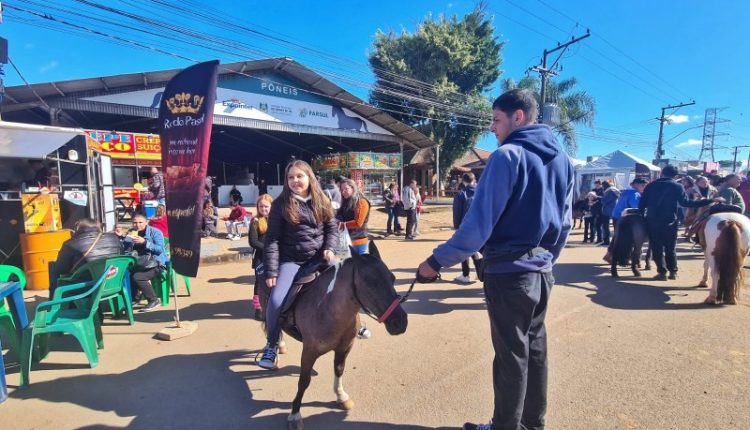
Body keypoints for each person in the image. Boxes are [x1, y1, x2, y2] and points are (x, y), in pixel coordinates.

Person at [417, 89, 574, 430]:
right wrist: (547, 261)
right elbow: (565, 222)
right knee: (535, 350)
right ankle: (533, 425)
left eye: (496, 120)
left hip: (509, 273)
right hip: (542, 273)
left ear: (518, 117)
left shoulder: (507, 156)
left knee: (510, 359)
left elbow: (476, 228)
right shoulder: (562, 160)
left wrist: (434, 262)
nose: (493, 128)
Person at [258, 160, 338, 370]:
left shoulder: (322, 199)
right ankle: (271, 344)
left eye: (299, 176)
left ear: (309, 177)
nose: (295, 181)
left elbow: (332, 229)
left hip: (322, 258)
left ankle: (355, 324)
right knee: (275, 301)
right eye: (291, 177)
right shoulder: (280, 204)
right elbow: (272, 240)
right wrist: (272, 270)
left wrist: (330, 248)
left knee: (349, 282)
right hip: (292, 260)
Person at [639, 165, 718, 280]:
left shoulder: (650, 185)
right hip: (670, 221)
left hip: (653, 221)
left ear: (661, 173)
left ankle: (662, 272)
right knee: (670, 248)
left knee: (657, 247)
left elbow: (642, 205)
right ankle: (673, 272)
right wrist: (710, 200)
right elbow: (686, 203)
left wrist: (642, 217)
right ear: (675, 176)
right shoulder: (678, 186)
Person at [48, 218, 123, 298]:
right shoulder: (114, 239)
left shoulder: (71, 244)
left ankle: (54, 301)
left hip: (86, 287)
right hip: (112, 283)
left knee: (53, 267)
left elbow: (61, 270)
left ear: (77, 229)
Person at [117, 213, 167, 312]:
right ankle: (135, 298)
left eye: (140, 222)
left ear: (147, 222)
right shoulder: (132, 232)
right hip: (139, 263)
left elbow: (160, 249)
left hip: (155, 263)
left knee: (138, 277)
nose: (137, 225)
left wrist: (145, 242)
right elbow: (125, 249)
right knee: (125, 273)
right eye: (135, 223)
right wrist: (122, 237)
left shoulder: (155, 232)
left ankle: (153, 300)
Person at [603, 178, 648, 263]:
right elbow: (636, 207)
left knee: (617, 236)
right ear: (636, 185)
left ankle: (610, 254)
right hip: (624, 217)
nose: (643, 187)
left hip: (617, 216)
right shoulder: (634, 194)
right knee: (625, 237)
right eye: (642, 185)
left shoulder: (626, 191)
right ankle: (613, 255)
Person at [452, 172, 480, 284]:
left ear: (463, 181)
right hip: (481, 225)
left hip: (466, 225)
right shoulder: (482, 192)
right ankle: (479, 271)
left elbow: (457, 212)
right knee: (477, 249)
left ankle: (465, 274)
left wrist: (456, 227)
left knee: (464, 249)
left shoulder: (461, 194)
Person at [249, 194, 273, 321]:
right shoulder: (255, 221)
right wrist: (268, 248)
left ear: (271, 206)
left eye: (266, 206)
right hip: (260, 257)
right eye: (261, 206)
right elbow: (252, 241)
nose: (263, 209)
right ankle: (258, 309)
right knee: (259, 282)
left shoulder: (275, 220)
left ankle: (271, 305)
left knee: (273, 280)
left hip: (274, 257)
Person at [337, 178, 371, 255]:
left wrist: (341, 224)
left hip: (359, 241)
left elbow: (358, 223)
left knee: (359, 265)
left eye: (346, 189)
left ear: (353, 188)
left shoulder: (361, 202)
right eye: (341, 189)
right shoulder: (345, 201)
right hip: (345, 240)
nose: (343, 192)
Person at [598, 181, 619, 246]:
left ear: (604, 185)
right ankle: (616, 241)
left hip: (607, 211)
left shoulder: (609, 192)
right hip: (615, 211)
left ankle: (606, 241)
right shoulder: (615, 190)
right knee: (616, 227)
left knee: (605, 227)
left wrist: (601, 199)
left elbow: (604, 201)